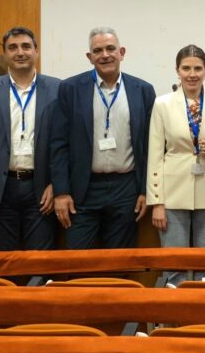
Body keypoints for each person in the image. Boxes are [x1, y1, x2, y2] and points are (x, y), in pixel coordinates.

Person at [50, 27, 155, 249]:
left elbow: (149, 146)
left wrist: (146, 191)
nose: (105, 55)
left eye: (110, 48)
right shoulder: (70, 89)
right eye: (98, 51)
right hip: (83, 189)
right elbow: (59, 144)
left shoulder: (143, 90)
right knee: (79, 260)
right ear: (90, 57)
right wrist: (61, 192)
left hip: (126, 188)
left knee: (120, 260)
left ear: (122, 52)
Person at [0, 27, 61, 251]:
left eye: (26, 46)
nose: (20, 52)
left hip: (41, 190)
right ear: (5, 54)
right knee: (2, 260)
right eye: (13, 47)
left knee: (40, 260)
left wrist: (58, 184)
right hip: (0, 191)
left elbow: (64, 144)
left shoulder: (57, 88)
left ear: (36, 51)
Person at [146, 45, 205, 286]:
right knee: (174, 264)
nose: (192, 74)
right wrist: (157, 202)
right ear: (177, 70)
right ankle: (173, 309)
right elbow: (155, 154)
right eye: (186, 68)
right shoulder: (162, 104)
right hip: (172, 193)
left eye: (198, 68)